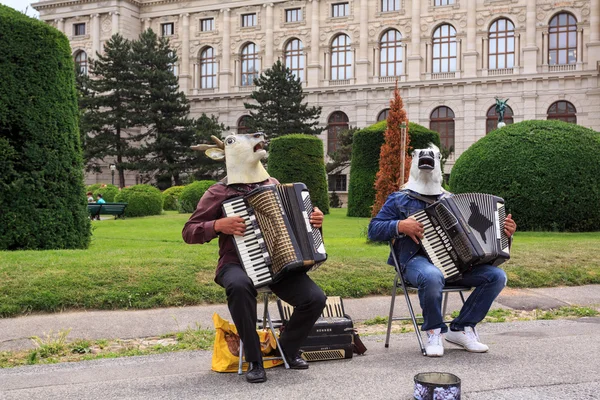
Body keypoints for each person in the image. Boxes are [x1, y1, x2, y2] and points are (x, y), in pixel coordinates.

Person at [183, 132, 327, 383]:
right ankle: (254, 359)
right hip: (234, 263)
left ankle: (287, 349)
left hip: (279, 263)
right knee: (239, 286)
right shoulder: (218, 192)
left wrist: (315, 221)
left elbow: (298, 224)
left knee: (315, 298)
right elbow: (189, 232)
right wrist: (218, 224)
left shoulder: (272, 183)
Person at [368, 145, 517, 357]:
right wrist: (400, 226)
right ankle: (434, 330)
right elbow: (373, 229)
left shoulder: (451, 200)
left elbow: (476, 235)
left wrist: (505, 233)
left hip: (457, 265)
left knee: (496, 276)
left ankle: (462, 328)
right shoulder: (399, 199)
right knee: (432, 275)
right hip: (414, 261)